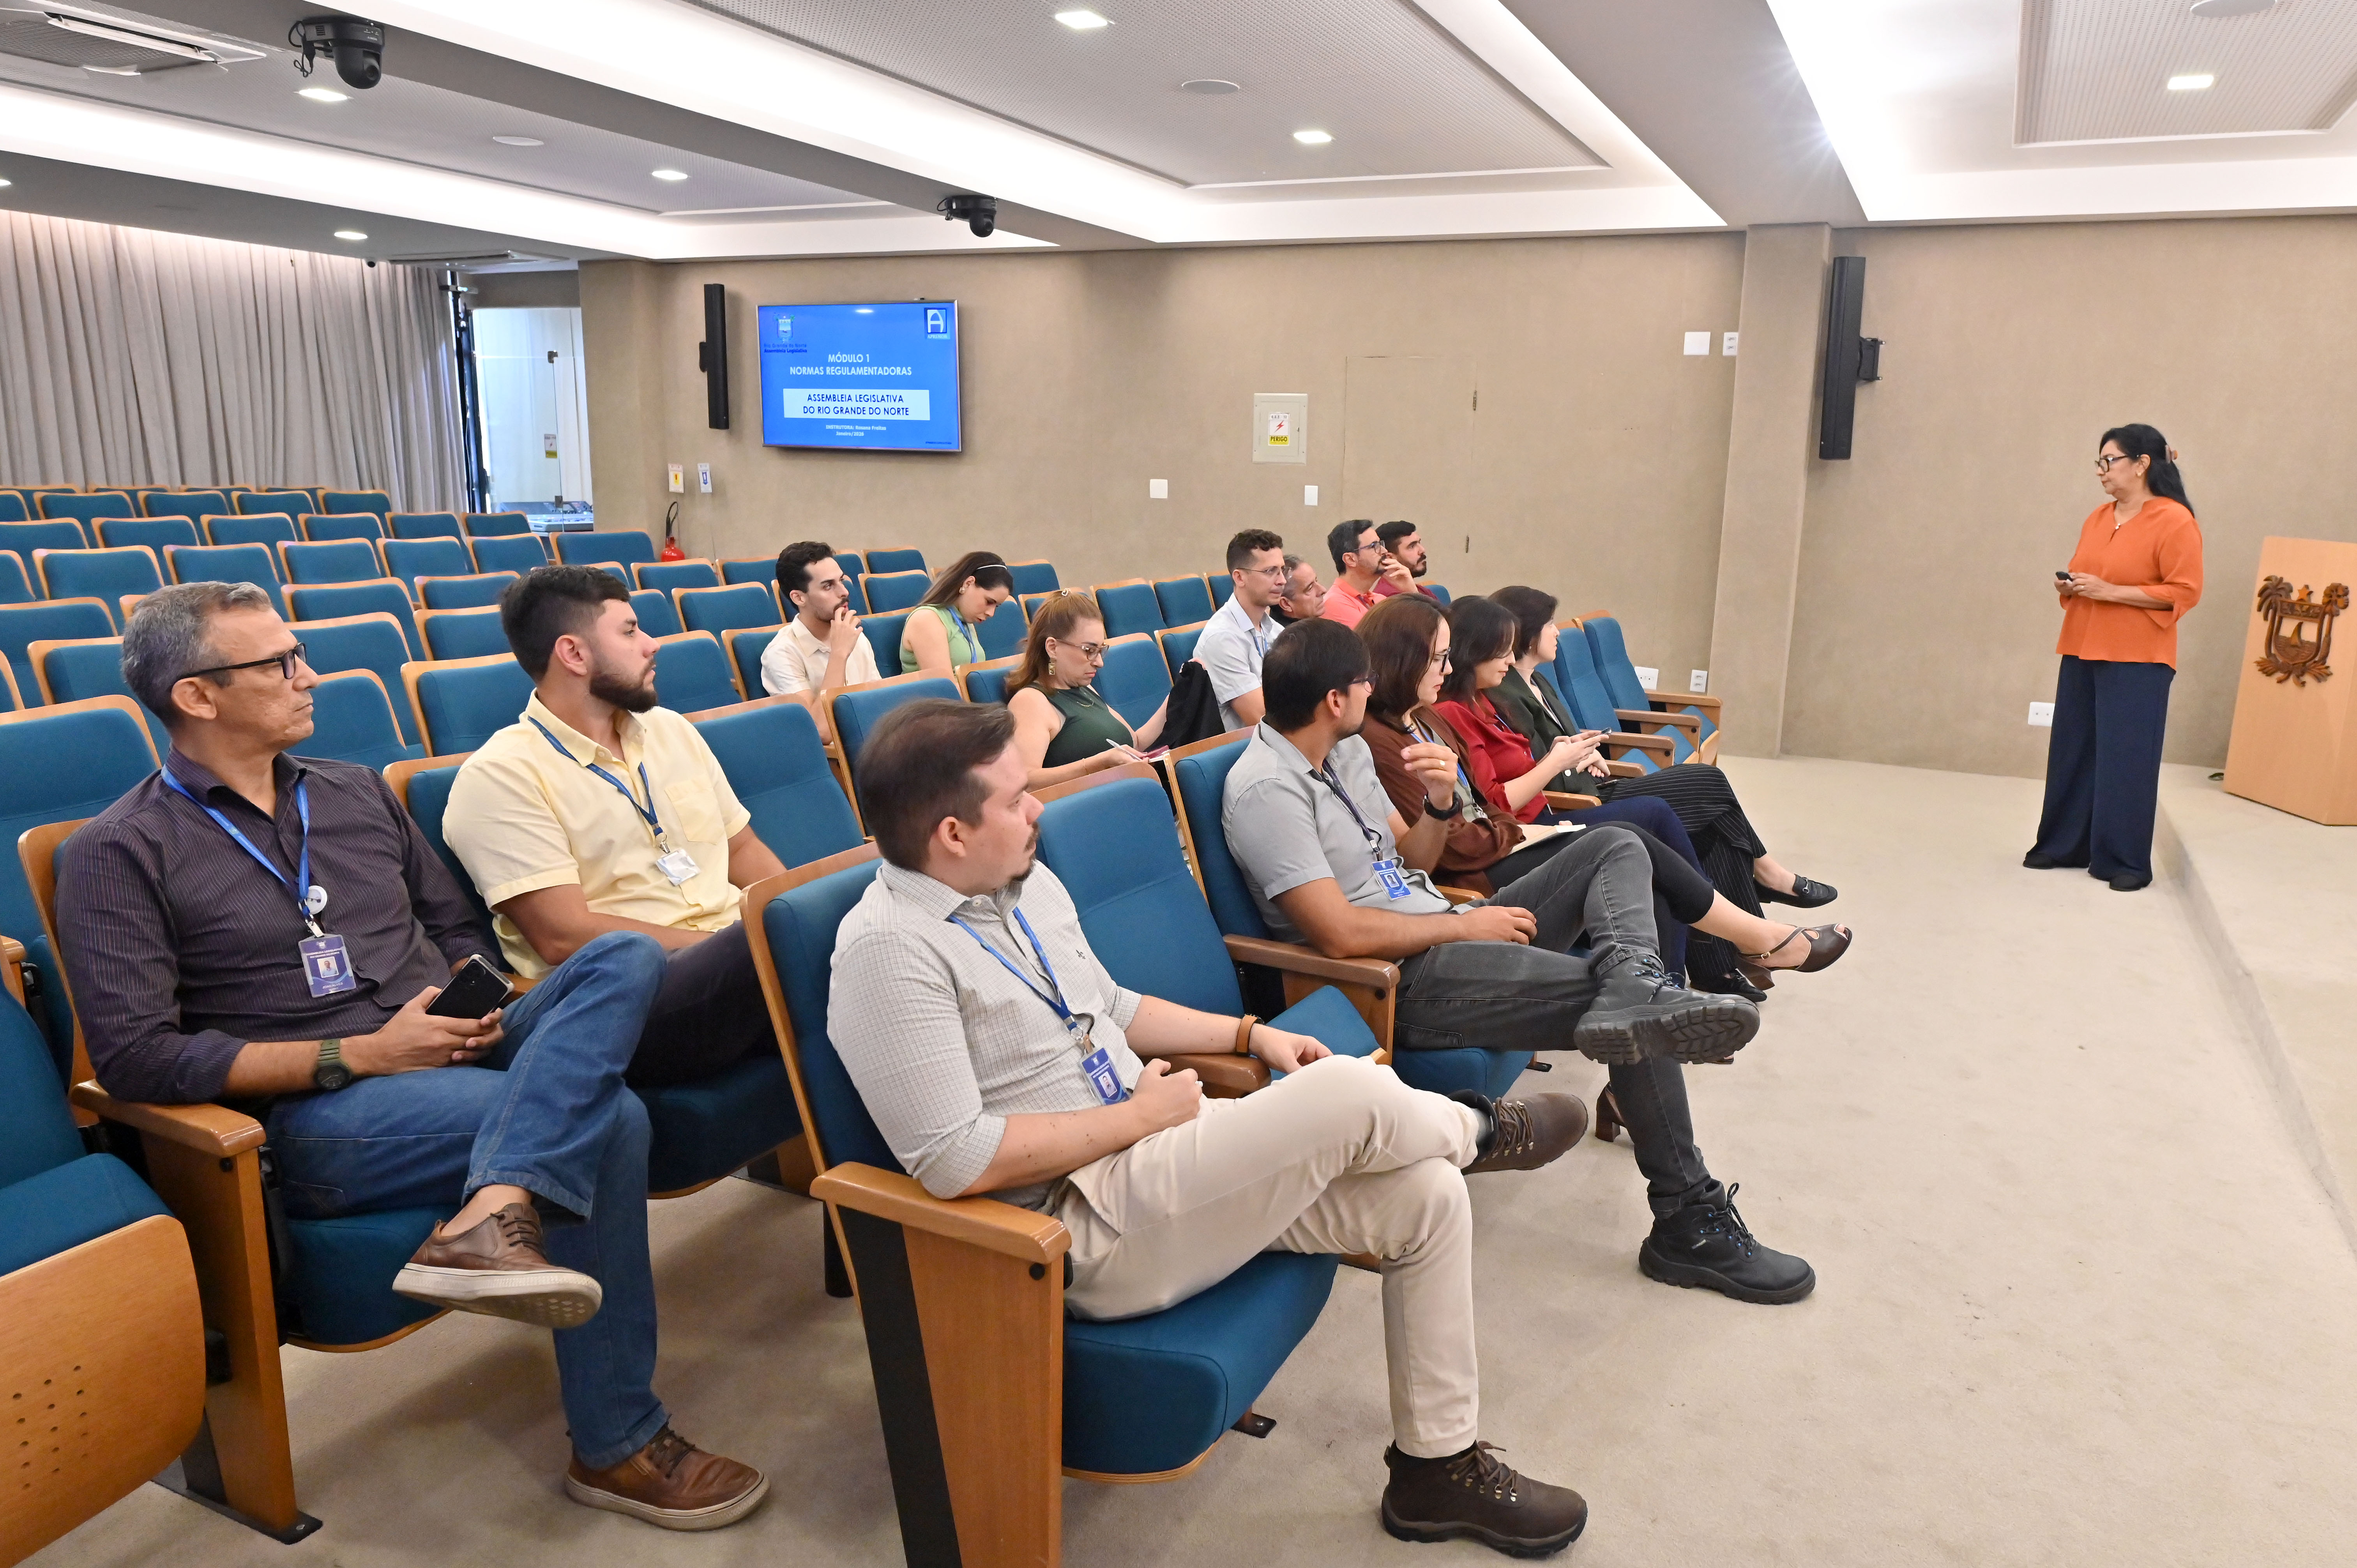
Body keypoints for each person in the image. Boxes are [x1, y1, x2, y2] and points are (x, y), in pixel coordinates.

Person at [59, 582, 767, 1529]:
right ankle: (618, 1442)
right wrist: (359, 1052)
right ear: (197, 695)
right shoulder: (119, 849)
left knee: (622, 957)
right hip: (327, 1109)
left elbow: (456, 929)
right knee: (613, 1117)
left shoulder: (352, 791)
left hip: (456, 1039)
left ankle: (493, 1205)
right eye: (279, 662)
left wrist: (472, 1007)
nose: (309, 675)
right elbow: (139, 1058)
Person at [830, 697, 1595, 1556]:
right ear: (952, 834)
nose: (1039, 806)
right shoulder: (887, 952)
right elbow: (954, 1160)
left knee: (1425, 1195)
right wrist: (1131, 1118)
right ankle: (1481, 1128)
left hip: (1158, 1157)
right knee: (1346, 1091)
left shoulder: (1022, 883)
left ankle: (1434, 1468)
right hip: (1072, 1227)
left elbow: (1112, 1006)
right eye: (1014, 798)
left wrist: (1247, 1034)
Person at [1223, 617, 1822, 1303]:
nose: (1371, 690)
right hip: (1402, 977)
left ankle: (1634, 980)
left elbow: (1409, 862)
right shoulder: (1267, 789)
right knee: (1640, 1017)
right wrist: (1463, 927)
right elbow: (1336, 934)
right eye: (1362, 681)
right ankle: (1687, 1217)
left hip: (1445, 926)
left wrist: (1440, 806)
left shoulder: (1346, 750)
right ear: (1336, 698)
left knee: (1618, 845)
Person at [1353, 595, 1843, 997]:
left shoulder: (1428, 717)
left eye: (1447, 656)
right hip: (1481, 872)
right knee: (1632, 834)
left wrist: (1515, 823)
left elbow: (1487, 805)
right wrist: (1519, 825)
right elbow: (1455, 845)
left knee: (1663, 834)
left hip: (1506, 838)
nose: (1446, 667)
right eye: (1438, 657)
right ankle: (1747, 940)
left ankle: (1681, 982)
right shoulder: (1385, 739)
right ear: (1406, 659)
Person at [444, 567, 788, 1093]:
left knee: (844, 914)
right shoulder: (500, 776)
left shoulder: (670, 730)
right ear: (573, 654)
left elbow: (742, 847)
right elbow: (563, 935)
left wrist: (792, 911)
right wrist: (746, 942)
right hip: (630, 1001)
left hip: (730, 961)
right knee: (810, 950)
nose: (652, 644)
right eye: (629, 632)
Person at [2027, 424, 2203, 892]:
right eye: (2099, 462)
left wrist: (2112, 592)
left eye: (2110, 461)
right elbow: (2090, 573)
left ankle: (2125, 861)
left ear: (2142, 464)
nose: (2101, 471)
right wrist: (2073, 586)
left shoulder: (2175, 520)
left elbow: (2184, 592)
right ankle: (2063, 845)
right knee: (2073, 748)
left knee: (2127, 756)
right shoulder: (2098, 517)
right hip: (2081, 646)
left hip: (2139, 657)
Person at [1006, 592, 1167, 788]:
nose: (1099, 663)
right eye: (1089, 651)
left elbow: (1135, 743)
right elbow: (1025, 782)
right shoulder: (1031, 701)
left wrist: (1175, 700)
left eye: (1100, 651)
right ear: (1053, 648)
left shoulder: (1085, 688)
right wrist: (1097, 765)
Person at [758, 540, 878, 736]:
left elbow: (879, 705)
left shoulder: (855, 635)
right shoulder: (781, 653)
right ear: (799, 598)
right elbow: (821, 731)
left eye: (841, 581)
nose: (844, 592)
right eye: (828, 586)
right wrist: (839, 654)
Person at [1193, 528, 1287, 729]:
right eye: (1270, 571)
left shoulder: (1276, 631)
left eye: (1282, 570)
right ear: (1240, 578)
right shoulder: (1222, 639)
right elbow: (1263, 720)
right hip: (1249, 745)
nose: (1282, 580)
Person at [901, 550, 1014, 677]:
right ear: (968, 583)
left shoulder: (965, 620)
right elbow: (943, 685)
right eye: (989, 602)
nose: (991, 613)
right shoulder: (926, 619)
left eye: (996, 606)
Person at [1319, 519, 1414, 630]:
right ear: (1351, 559)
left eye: (1381, 544)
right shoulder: (1335, 604)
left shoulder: (1379, 600)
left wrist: (1411, 591)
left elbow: (1424, 631)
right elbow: (1379, 641)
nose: (1384, 551)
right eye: (1374, 546)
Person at [1374, 521, 1437, 599]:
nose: (1422, 550)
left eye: (1419, 543)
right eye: (1412, 546)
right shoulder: (1389, 598)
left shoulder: (1421, 590)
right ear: (1389, 558)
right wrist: (1414, 593)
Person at [1272, 553, 1328, 626]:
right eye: (1310, 588)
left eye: (1316, 581)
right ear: (1286, 604)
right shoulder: (1287, 633)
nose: (1323, 590)